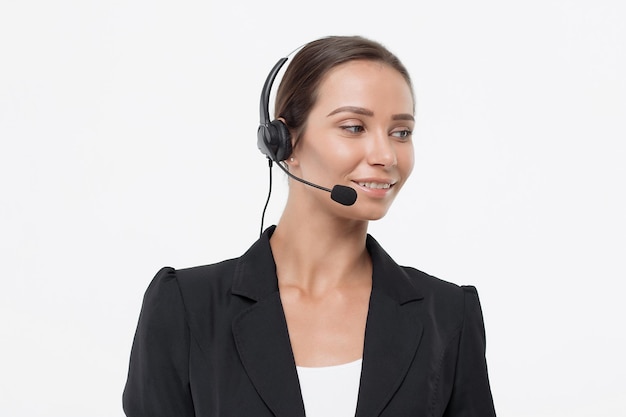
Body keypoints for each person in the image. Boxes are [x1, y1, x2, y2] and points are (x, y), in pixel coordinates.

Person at [122, 35, 496, 417]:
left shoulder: (448, 315)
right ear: (285, 143)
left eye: (401, 132)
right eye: (353, 127)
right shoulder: (186, 308)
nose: (386, 155)